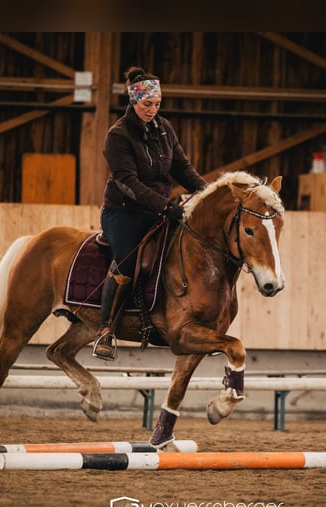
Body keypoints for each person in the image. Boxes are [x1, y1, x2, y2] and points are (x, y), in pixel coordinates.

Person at [92, 66, 208, 360]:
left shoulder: (165, 129)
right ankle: (105, 330)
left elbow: (182, 167)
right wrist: (163, 204)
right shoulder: (117, 135)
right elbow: (127, 182)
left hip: (160, 210)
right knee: (129, 263)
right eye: (147, 104)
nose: (152, 109)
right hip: (124, 212)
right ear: (134, 101)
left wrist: (207, 192)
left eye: (157, 104)